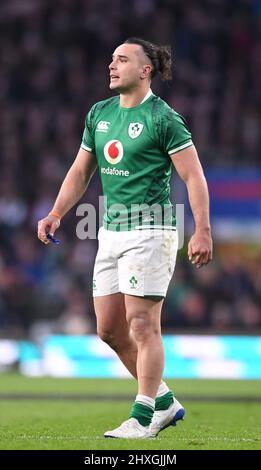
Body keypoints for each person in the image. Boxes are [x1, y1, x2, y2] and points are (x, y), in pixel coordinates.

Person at [38, 37, 213, 439]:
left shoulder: (163, 118)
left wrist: (202, 229)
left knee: (142, 323)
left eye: (122, 59)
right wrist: (56, 212)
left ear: (145, 70)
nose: (112, 65)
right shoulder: (99, 113)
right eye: (111, 60)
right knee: (110, 330)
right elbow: (81, 171)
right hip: (110, 230)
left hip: (152, 229)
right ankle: (166, 402)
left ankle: (143, 415)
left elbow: (193, 176)